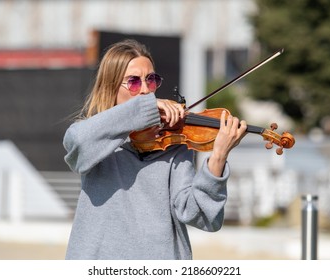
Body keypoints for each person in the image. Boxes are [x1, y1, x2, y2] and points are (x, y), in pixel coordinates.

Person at [63, 39, 247, 260]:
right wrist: (145, 109)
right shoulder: (97, 138)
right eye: (133, 82)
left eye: (151, 81)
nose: (145, 91)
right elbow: (77, 145)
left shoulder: (173, 143)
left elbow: (203, 217)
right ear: (111, 87)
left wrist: (218, 157)